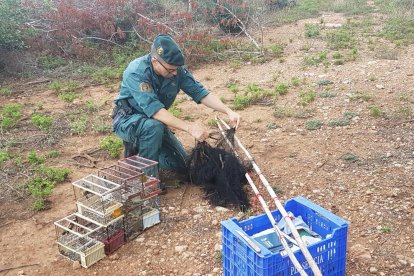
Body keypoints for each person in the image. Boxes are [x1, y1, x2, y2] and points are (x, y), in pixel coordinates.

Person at [112, 34, 241, 179]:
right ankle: (148, 180)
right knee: (152, 127)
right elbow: (156, 112)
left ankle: (143, 152)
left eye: (176, 70)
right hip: (128, 120)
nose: (175, 74)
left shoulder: (175, 70)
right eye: (170, 70)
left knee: (181, 164)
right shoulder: (136, 72)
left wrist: (228, 111)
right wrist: (190, 128)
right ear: (155, 61)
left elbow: (200, 93)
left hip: (156, 123)